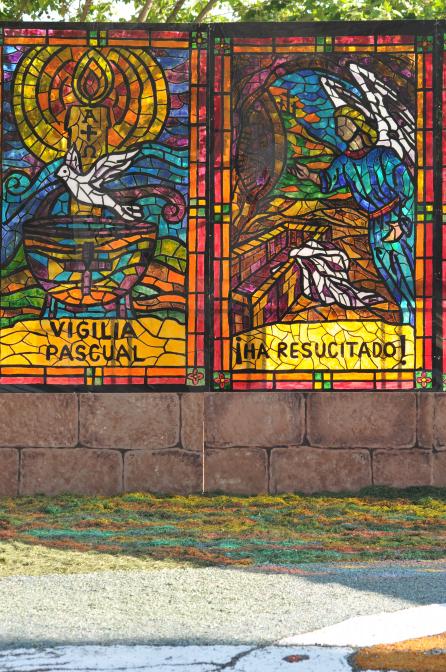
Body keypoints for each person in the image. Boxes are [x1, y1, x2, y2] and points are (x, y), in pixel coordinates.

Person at [289, 105, 415, 326]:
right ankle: (407, 316)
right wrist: (308, 175)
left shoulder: (384, 155)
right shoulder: (344, 162)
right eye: (337, 125)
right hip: (375, 225)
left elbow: (408, 189)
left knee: (407, 270)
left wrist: (401, 223)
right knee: (388, 272)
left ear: (358, 125)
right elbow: (327, 181)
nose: (339, 129)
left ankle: (419, 317)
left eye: (343, 123)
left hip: (397, 218)